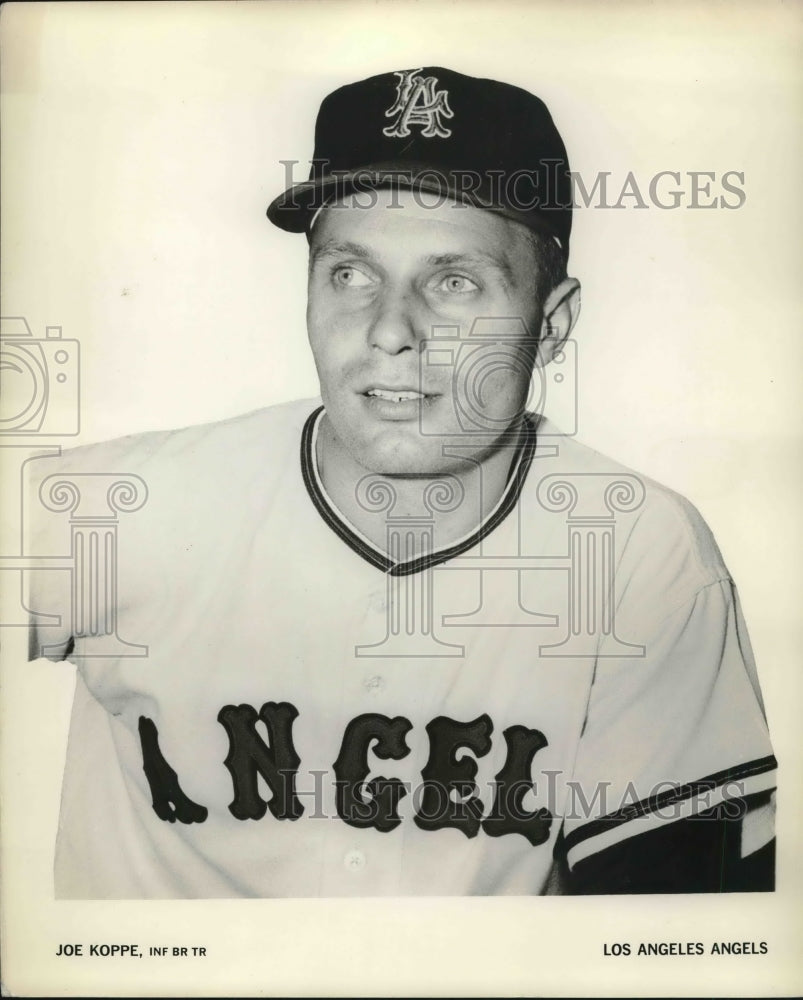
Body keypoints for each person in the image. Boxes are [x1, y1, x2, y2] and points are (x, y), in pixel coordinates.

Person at [28, 67, 776, 898]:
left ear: (551, 324)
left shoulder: (637, 552)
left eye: (453, 282)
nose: (390, 330)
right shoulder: (113, 512)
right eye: (351, 274)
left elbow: (669, 937)